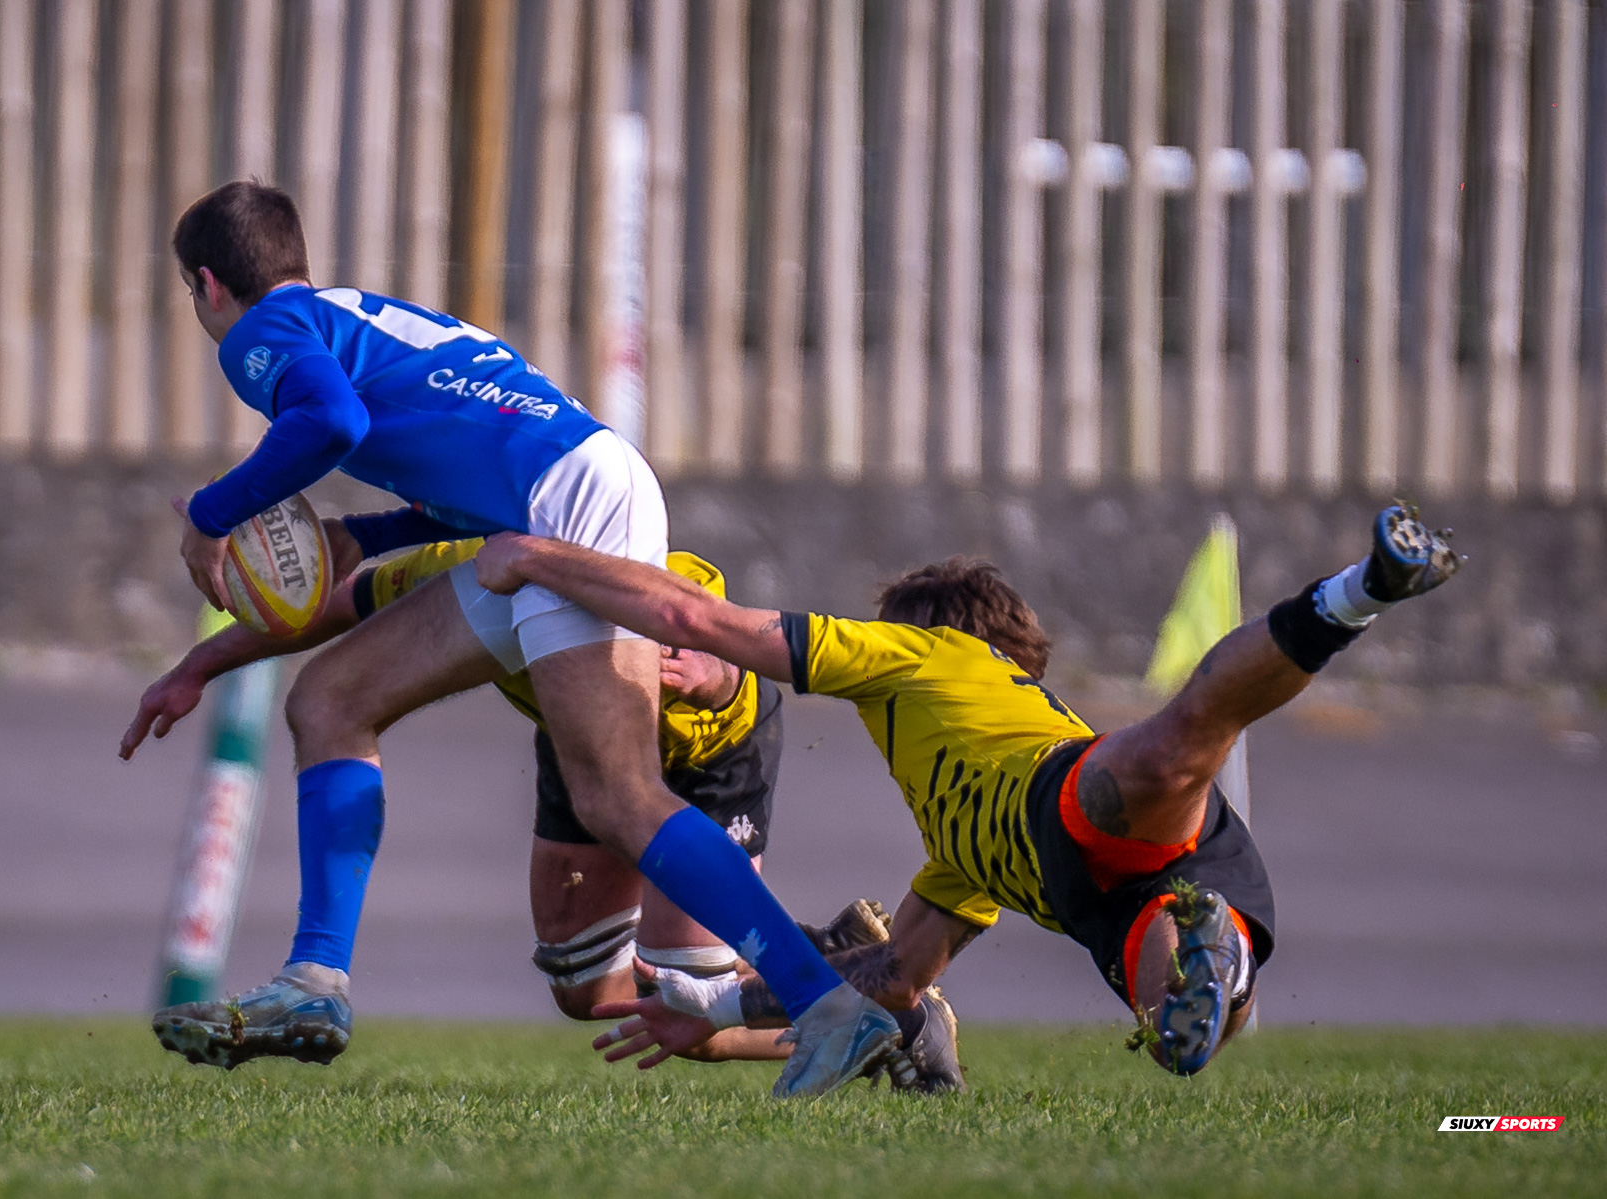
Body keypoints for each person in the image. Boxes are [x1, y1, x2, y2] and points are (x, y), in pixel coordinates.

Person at [138, 181, 897, 1097]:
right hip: (547, 510)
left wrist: (214, 516)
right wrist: (352, 542)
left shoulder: (265, 332)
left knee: (617, 794)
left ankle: (829, 1002)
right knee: (330, 700)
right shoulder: (356, 323)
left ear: (209, 286)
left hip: (564, 512)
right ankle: (315, 982)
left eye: (194, 296)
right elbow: (447, 487)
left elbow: (328, 423)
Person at [472, 505, 1463, 1078]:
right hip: (1124, 892)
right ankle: (1222, 962)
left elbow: (703, 614)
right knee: (1183, 1029)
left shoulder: (923, 651)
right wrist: (717, 1013)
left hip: (1073, 800)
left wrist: (538, 558)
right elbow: (894, 978)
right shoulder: (959, 858)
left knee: (1176, 745)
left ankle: (1362, 588)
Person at [125, 528, 953, 1083]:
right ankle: (837, 953)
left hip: (710, 755)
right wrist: (200, 663)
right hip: (582, 745)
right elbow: (336, 605)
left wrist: (720, 671)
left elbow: (725, 629)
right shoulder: (470, 561)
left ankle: (889, 1016)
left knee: (687, 1000)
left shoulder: (644, 564)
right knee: (585, 992)